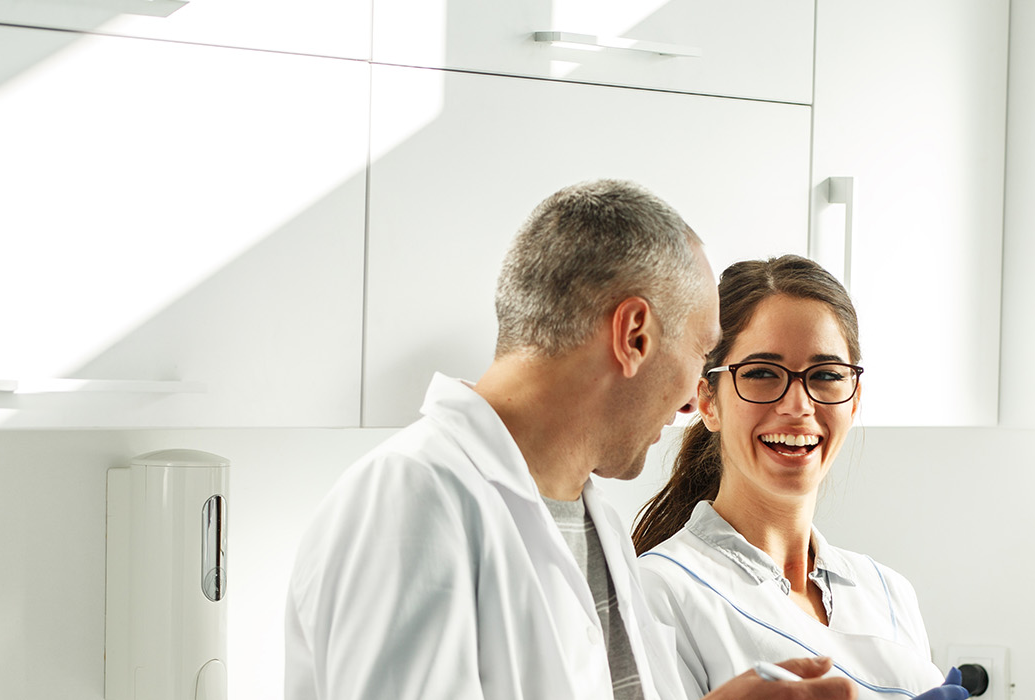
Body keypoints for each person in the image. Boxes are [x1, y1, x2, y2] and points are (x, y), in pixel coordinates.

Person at [286, 181, 858, 700]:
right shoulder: (411, 499)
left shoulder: (593, 521)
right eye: (700, 352)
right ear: (634, 335)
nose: (692, 399)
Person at [632, 255, 965, 700]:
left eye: (826, 375)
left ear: (854, 399)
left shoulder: (888, 593)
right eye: (763, 374)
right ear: (707, 399)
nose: (798, 405)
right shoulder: (659, 592)